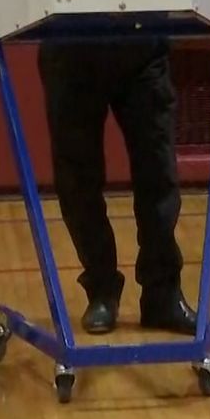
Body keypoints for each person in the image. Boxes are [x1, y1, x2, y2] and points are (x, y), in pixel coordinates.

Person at [38, 37, 197, 335]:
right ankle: (101, 289)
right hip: (69, 45)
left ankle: (162, 294)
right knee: (77, 181)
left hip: (141, 41)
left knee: (158, 171)